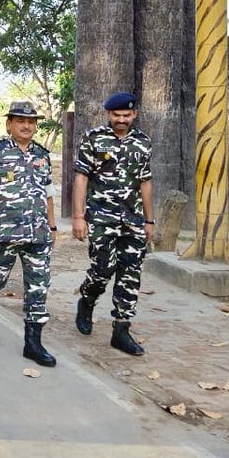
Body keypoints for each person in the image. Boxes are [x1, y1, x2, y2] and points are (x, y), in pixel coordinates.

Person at [0, 100, 57, 367]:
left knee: (38, 288)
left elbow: (48, 193)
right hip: (2, 232)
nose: (26, 126)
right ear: (9, 125)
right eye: (20, 121)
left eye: (31, 122)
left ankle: (33, 343)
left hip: (37, 234)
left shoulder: (42, 155)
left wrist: (52, 226)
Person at [73, 91, 155, 356]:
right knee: (102, 269)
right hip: (101, 217)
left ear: (134, 114)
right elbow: (81, 177)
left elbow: (145, 181)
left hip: (133, 219)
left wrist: (149, 219)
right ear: (109, 114)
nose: (121, 120)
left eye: (126, 115)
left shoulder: (143, 142)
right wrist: (78, 217)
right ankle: (87, 299)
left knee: (131, 273)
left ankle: (121, 330)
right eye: (117, 115)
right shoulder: (93, 138)